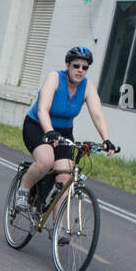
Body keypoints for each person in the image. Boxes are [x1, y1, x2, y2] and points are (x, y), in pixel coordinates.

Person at [14, 46, 116, 212]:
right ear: (67, 65)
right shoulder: (54, 78)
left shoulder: (87, 86)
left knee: (66, 176)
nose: (80, 70)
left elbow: (97, 113)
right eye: (76, 66)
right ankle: (24, 190)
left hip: (64, 133)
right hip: (38, 126)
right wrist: (49, 132)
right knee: (46, 161)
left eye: (84, 67)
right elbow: (42, 109)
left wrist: (106, 139)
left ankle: (58, 229)